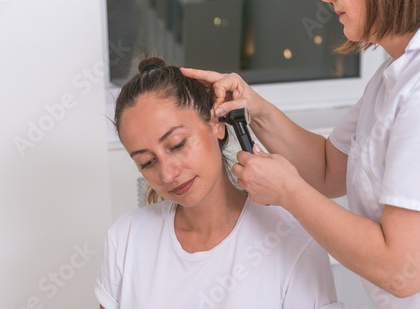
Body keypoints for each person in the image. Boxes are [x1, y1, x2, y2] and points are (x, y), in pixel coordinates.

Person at [181, 0, 420, 308]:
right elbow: (329, 167)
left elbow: (404, 267)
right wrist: (255, 109)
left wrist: (288, 192)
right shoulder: (399, 73)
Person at [95, 57, 343, 309]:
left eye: (178, 144)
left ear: (217, 124)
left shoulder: (292, 238)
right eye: (147, 162)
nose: (168, 174)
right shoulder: (126, 239)